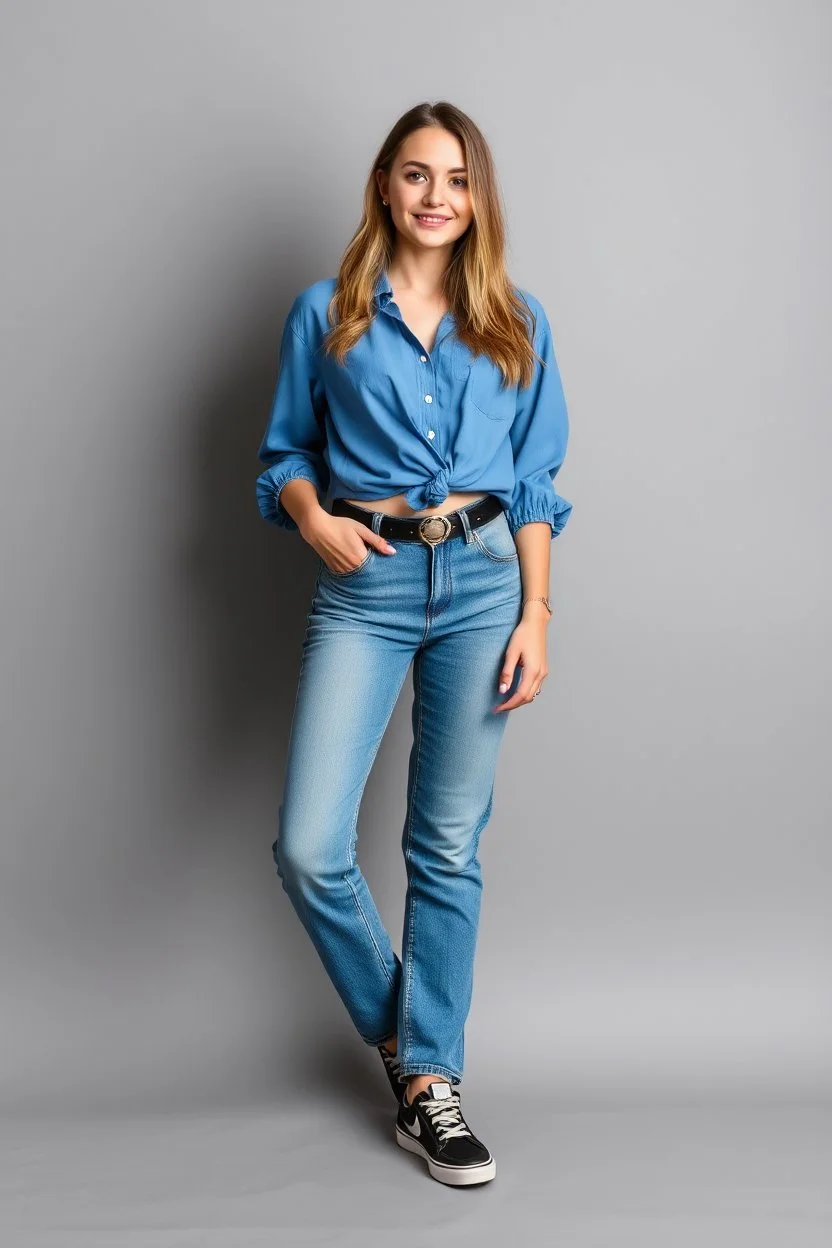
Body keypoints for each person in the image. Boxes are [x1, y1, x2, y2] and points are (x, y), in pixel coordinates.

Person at [255, 100, 572, 1187]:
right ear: (384, 187)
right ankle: (418, 1052)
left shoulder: (516, 319)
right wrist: (311, 518)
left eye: (456, 178)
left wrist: (535, 613)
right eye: (415, 175)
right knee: (308, 847)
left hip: (485, 587)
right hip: (369, 586)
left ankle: (428, 1086)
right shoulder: (325, 311)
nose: (436, 197)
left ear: (477, 196)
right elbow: (286, 452)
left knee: (444, 847)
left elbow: (533, 484)